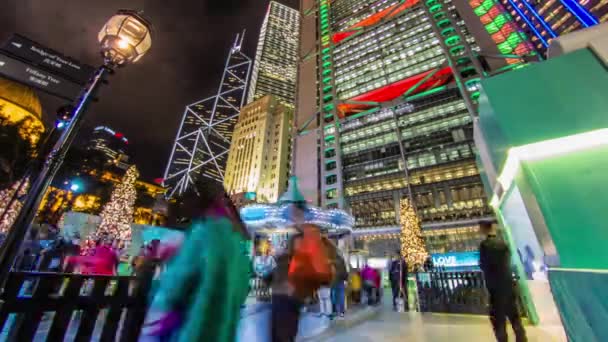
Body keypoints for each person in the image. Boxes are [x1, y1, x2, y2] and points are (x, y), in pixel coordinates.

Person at [143, 178, 251, 342]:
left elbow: (173, 288)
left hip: (192, 331)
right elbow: (244, 286)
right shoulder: (237, 242)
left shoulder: (202, 234)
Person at [479, 222, 527, 342]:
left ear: (485, 229)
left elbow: (483, 265)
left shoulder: (484, 245)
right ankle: (521, 339)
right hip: (508, 284)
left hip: (495, 288)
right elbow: (507, 262)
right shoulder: (504, 244)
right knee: (514, 316)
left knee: (499, 321)